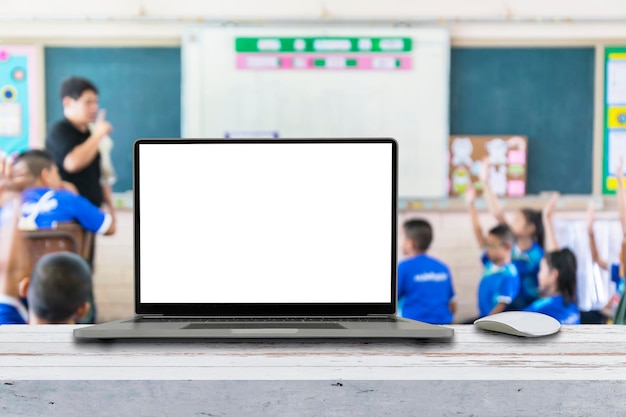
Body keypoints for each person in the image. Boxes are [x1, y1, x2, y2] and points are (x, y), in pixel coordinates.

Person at [45, 76, 117, 268]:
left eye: (96, 102)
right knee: (69, 271)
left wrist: (110, 207)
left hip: (90, 215)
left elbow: (100, 175)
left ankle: (87, 298)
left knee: (86, 268)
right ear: (68, 102)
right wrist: (98, 135)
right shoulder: (59, 131)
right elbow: (72, 162)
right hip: (68, 219)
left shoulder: (89, 134)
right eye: (88, 102)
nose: (94, 107)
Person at [479, 159, 544, 311]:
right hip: (506, 305)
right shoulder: (510, 244)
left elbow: (542, 288)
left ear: (530, 228)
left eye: (517, 220)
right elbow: (497, 213)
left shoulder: (537, 254)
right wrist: (485, 182)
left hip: (526, 308)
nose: (512, 223)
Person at [12, 150, 115, 236]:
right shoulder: (68, 199)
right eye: (56, 173)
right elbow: (109, 228)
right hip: (61, 260)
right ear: (45, 175)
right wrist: (109, 204)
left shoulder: (9, 205)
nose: (60, 179)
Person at [524, 194, 580, 324]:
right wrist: (547, 219)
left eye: (541, 270)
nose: (538, 275)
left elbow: (511, 321)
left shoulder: (543, 307)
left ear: (554, 275)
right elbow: (556, 260)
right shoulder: (571, 303)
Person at [466, 184, 520, 318]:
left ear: (507, 247)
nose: (487, 248)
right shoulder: (490, 263)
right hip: (483, 317)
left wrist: (484, 324)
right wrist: (471, 204)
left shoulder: (509, 275)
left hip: (493, 323)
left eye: (491, 245)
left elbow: (501, 306)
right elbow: (478, 233)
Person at [397, 218, 456, 325]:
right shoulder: (442, 267)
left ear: (410, 243)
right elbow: (452, 305)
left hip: (414, 326)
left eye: (401, 236)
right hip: (444, 325)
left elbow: (391, 301)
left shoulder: (404, 267)